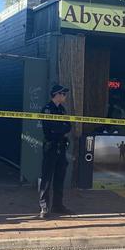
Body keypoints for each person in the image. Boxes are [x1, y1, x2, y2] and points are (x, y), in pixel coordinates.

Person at [38, 84, 74, 219]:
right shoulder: (47, 109)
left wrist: (61, 128)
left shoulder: (62, 110)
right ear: (56, 94)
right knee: (47, 178)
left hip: (61, 147)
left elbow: (68, 126)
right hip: (51, 147)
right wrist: (61, 129)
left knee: (60, 177)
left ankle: (58, 205)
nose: (65, 96)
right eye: (63, 94)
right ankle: (44, 207)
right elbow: (50, 129)